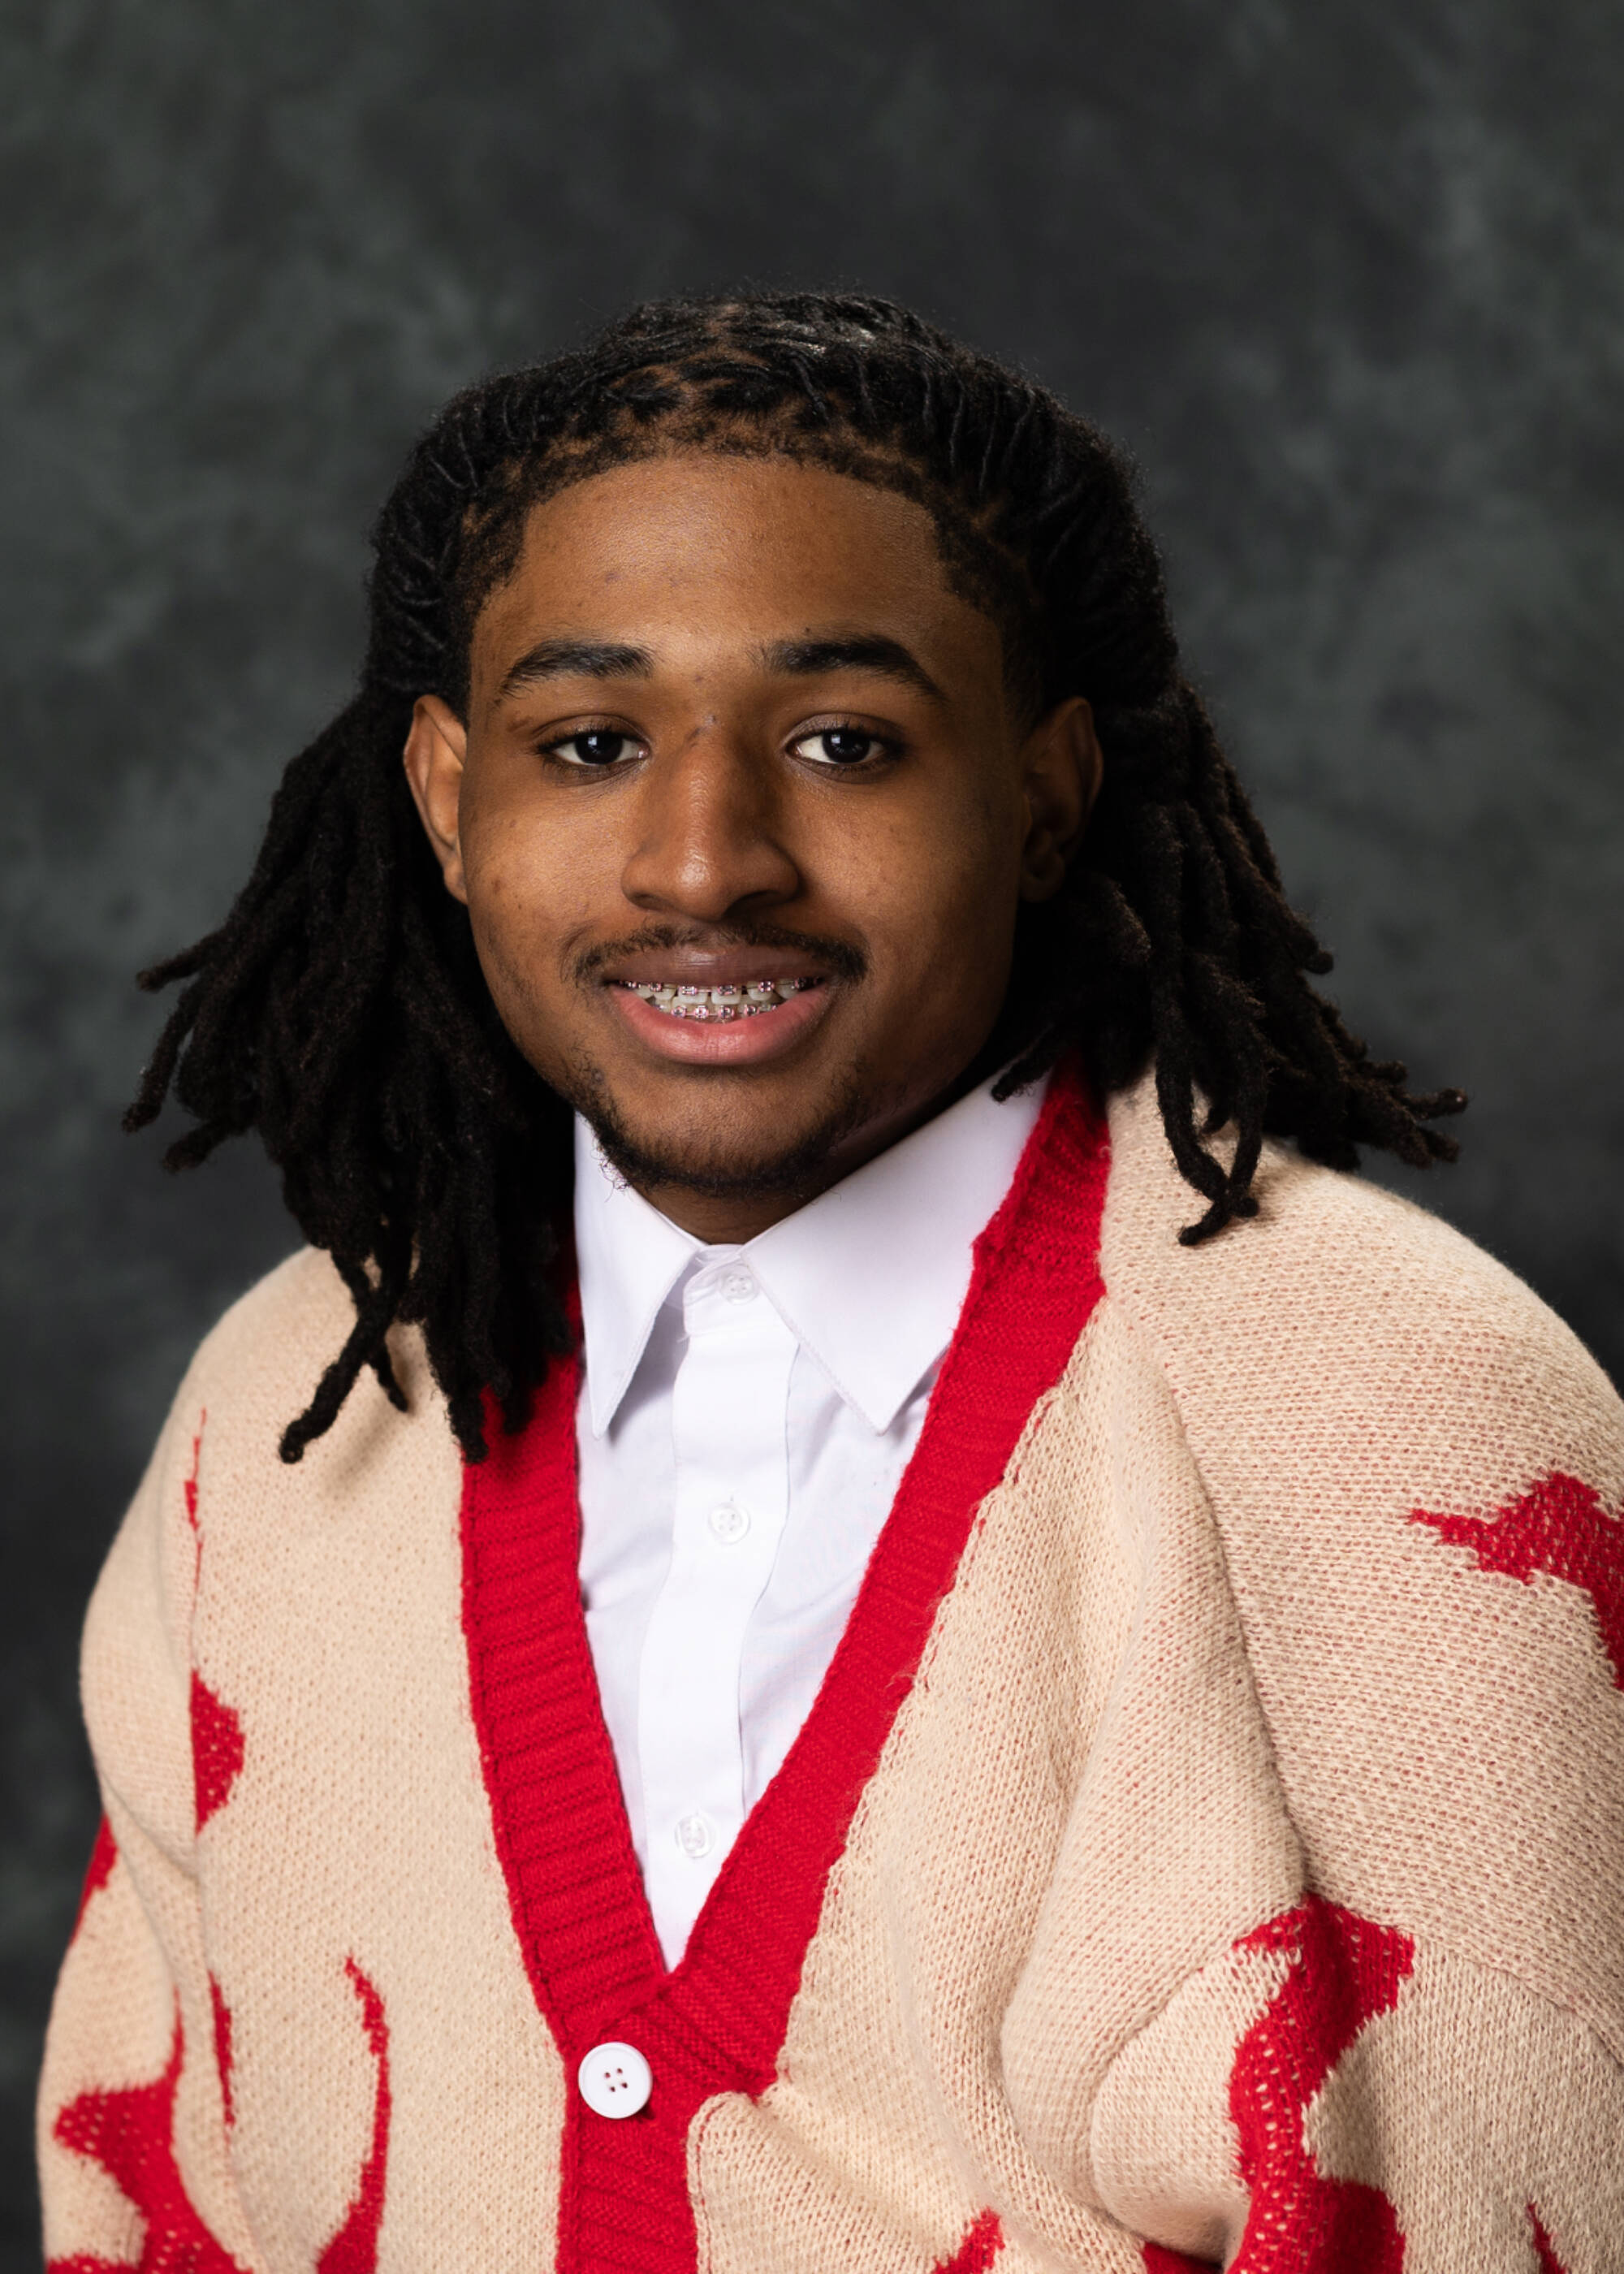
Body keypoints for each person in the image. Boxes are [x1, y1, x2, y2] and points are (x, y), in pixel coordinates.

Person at [36, 293, 1624, 2274]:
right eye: (591, 741)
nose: (704, 859)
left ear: (1041, 796)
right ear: (448, 797)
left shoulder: (1396, 1418)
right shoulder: (284, 1425)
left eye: (842, 741)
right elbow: (156, 2209)